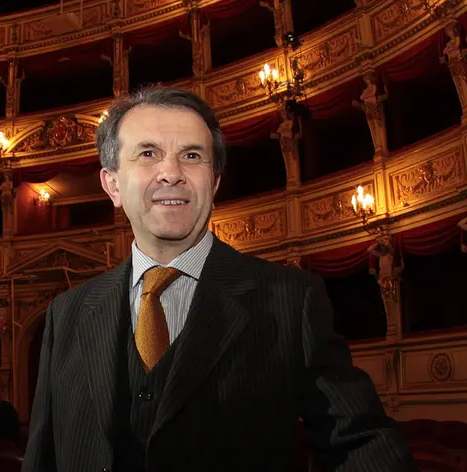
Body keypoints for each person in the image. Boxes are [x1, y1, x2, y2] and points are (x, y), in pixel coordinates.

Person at [23, 86, 416, 472]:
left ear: (213, 183)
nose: (171, 174)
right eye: (148, 154)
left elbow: (361, 444)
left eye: (191, 156)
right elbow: (43, 456)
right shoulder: (67, 313)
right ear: (112, 185)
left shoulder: (290, 299)